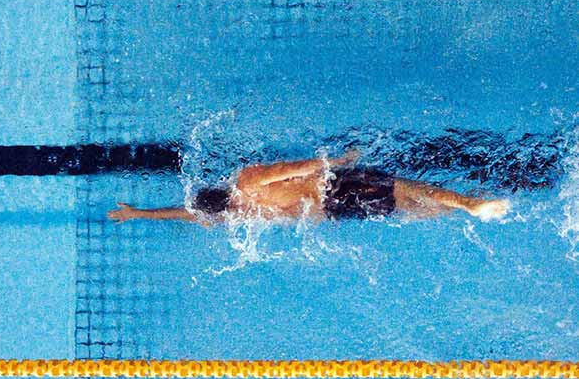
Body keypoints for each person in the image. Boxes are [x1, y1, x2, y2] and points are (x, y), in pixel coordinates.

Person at [107, 150, 510, 225]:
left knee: (410, 208)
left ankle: (460, 210)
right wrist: (335, 163)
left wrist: (138, 214)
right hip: (334, 189)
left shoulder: (238, 213)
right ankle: (470, 203)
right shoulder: (244, 182)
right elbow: (290, 168)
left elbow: (189, 214)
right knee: (408, 187)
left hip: (334, 213)